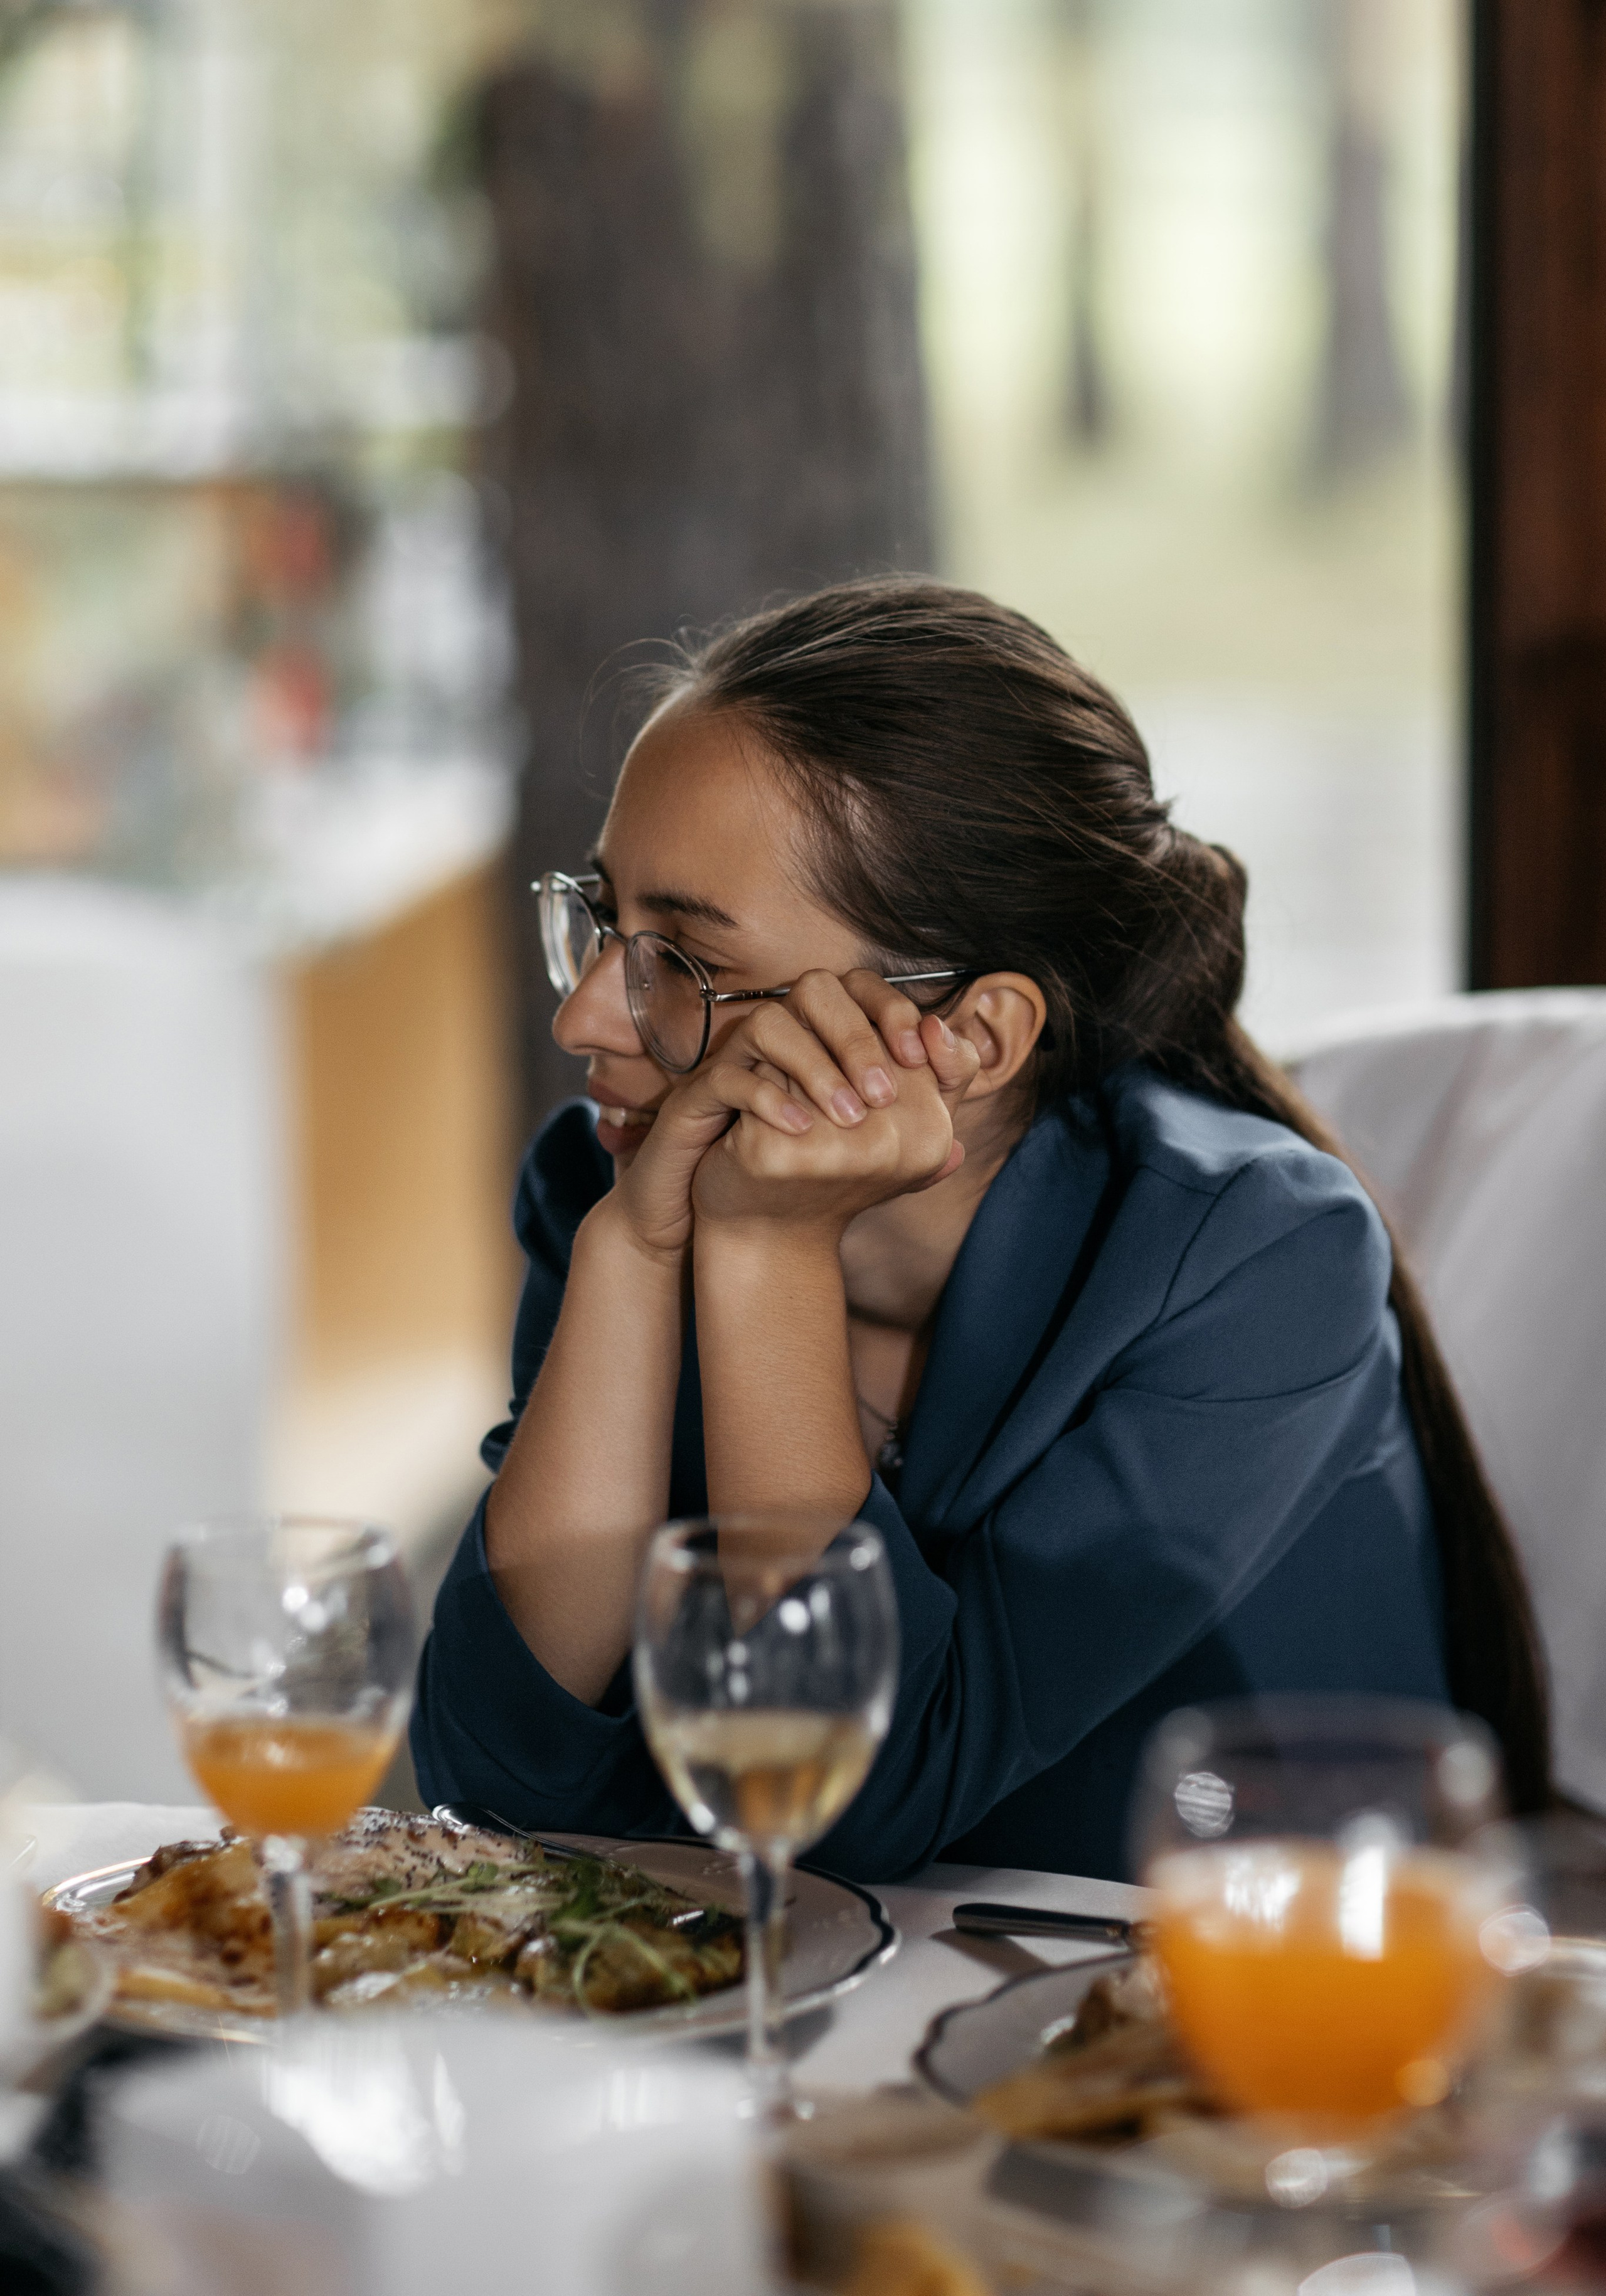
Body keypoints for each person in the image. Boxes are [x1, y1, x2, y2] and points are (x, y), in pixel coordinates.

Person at [412, 580, 1549, 1881]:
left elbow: (844, 1808)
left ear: (969, 1039)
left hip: (1228, 2043)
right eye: (605, 922)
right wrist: (628, 1262)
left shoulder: (1254, 1262)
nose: (588, 1022)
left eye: (685, 962)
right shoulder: (623, 1194)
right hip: (834, 2041)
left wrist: (770, 1256)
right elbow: (492, 1794)